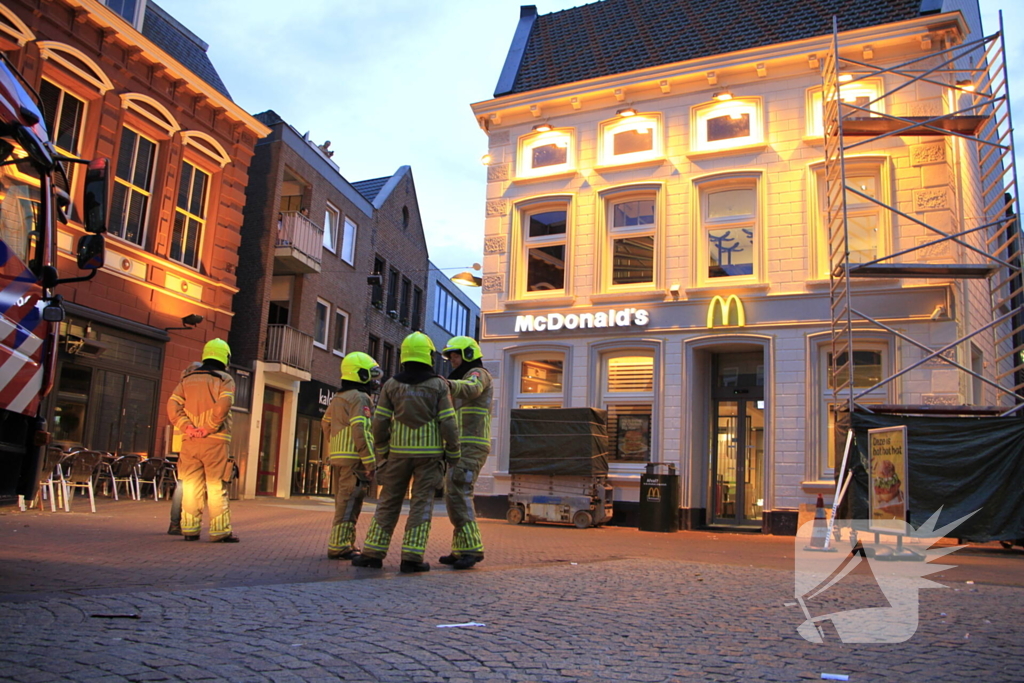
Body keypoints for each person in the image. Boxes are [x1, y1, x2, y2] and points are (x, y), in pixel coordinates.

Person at [353, 332, 460, 573]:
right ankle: (412, 558)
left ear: (404, 356)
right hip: (430, 457)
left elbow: (379, 422)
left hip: (397, 455)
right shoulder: (438, 385)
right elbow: (449, 423)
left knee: (388, 502)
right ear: (429, 356)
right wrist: (453, 453)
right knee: (421, 505)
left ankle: (372, 553)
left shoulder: (391, 385)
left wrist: (383, 451)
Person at [166, 339, 238, 543]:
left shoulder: (186, 380)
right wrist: (208, 428)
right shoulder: (224, 379)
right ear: (224, 357)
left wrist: (187, 427)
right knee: (216, 486)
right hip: (215, 440)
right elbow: (223, 405)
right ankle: (220, 532)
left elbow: (172, 406)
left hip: (189, 441)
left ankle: (190, 530)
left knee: (190, 487)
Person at [438, 336, 493, 570]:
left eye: (455, 355)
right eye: (449, 356)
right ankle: (460, 549)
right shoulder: (461, 378)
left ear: (468, 354)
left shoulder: (478, 374)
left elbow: (472, 389)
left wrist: (448, 385)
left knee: (459, 493)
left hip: (471, 446)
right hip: (461, 446)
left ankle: (471, 549)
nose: (451, 360)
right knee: (454, 495)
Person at [322, 352, 381, 559]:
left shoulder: (339, 397)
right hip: (354, 461)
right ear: (360, 375)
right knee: (349, 505)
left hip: (339, 459)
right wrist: (370, 461)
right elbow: (361, 430)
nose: (375, 381)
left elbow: (326, 423)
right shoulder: (360, 397)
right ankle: (339, 546)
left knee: (344, 502)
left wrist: (336, 445)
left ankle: (347, 542)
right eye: (371, 376)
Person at [168, 361, 202, 536]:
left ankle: (176, 523)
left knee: (183, 484)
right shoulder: (193, 391)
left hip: (183, 442)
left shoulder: (180, 389)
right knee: (186, 486)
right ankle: (181, 522)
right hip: (192, 442)